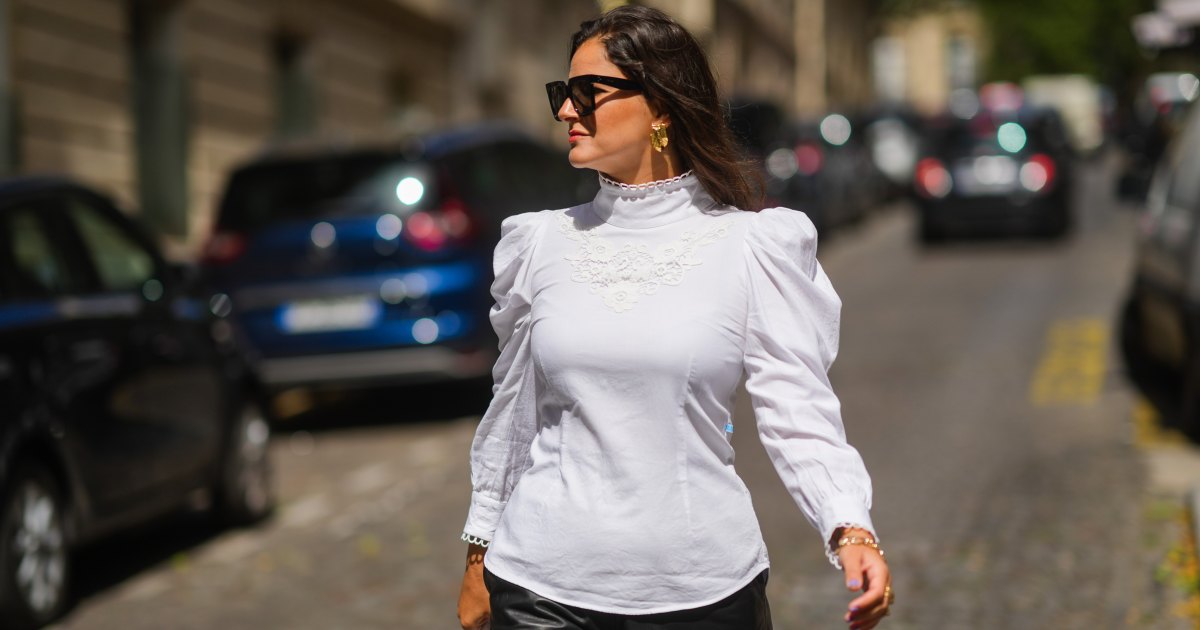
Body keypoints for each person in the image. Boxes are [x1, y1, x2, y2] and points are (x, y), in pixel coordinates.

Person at [457, 6, 891, 629]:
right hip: (539, 588)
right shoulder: (539, 244)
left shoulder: (752, 246)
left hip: (705, 592)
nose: (567, 111)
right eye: (562, 93)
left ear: (660, 104)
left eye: (587, 92)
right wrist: (480, 550)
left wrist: (849, 525)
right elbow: (514, 409)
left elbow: (797, 407)